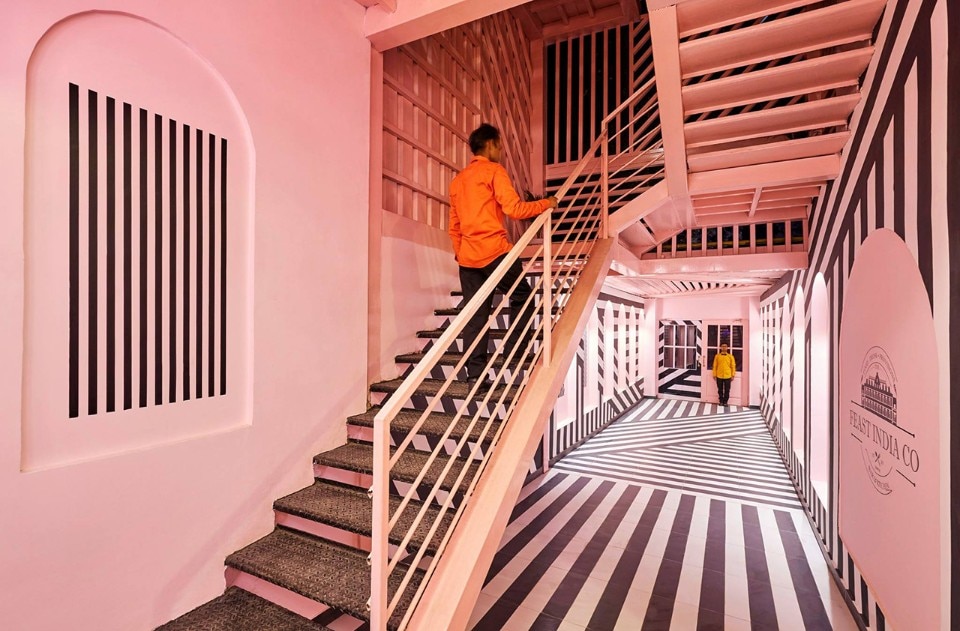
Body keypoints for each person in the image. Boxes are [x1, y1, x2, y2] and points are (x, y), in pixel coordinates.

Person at [449, 123, 558, 387]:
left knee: (476, 316)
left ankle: (475, 376)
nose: (500, 151)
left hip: (468, 259)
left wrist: (461, 253)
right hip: (495, 252)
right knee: (523, 296)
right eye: (498, 145)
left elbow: (454, 226)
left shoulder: (458, 180)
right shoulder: (494, 171)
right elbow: (514, 209)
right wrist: (548, 203)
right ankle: (515, 352)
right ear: (490, 145)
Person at [712, 342, 736, 407]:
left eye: (725, 346)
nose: (724, 348)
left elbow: (733, 366)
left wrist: (733, 375)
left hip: (728, 375)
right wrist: (714, 374)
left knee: (727, 390)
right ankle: (721, 401)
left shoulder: (730, 356)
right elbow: (715, 366)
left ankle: (725, 402)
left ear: (727, 348)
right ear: (721, 347)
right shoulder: (717, 356)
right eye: (722, 346)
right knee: (720, 389)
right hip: (719, 375)